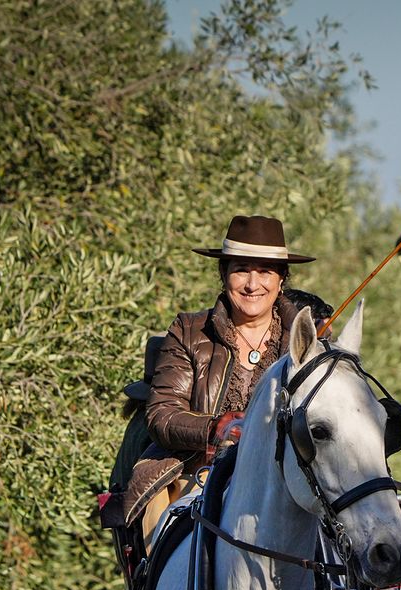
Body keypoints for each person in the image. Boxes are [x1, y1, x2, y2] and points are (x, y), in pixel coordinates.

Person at [117, 214, 332, 545]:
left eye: (264, 271)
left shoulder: (307, 339)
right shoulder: (188, 331)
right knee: (160, 524)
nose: (252, 283)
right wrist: (218, 428)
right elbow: (163, 414)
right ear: (224, 273)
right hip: (195, 474)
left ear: (281, 279)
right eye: (241, 269)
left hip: (285, 479)